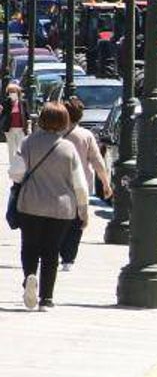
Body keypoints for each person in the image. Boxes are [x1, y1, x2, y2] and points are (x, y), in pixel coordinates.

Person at [10, 102, 88, 311]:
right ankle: (46, 298)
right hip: (61, 208)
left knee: (29, 246)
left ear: (42, 119)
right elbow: (79, 184)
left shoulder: (28, 142)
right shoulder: (68, 147)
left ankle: (29, 278)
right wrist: (83, 210)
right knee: (51, 251)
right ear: (64, 121)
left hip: (30, 205)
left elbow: (16, 173)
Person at [59, 98, 112, 270]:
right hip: (80, 185)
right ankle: (68, 258)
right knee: (77, 221)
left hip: (57, 184)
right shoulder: (86, 135)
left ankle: (60, 250)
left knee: (58, 219)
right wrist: (105, 183)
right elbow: (97, 161)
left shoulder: (55, 133)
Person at [2, 83, 26, 165]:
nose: (12, 93)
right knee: (11, 148)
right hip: (10, 129)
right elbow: (3, 115)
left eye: (13, 91)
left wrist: (28, 127)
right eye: (10, 91)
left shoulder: (23, 102)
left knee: (20, 148)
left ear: (17, 92)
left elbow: (27, 115)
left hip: (20, 129)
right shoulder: (6, 103)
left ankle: (19, 164)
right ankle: (12, 165)